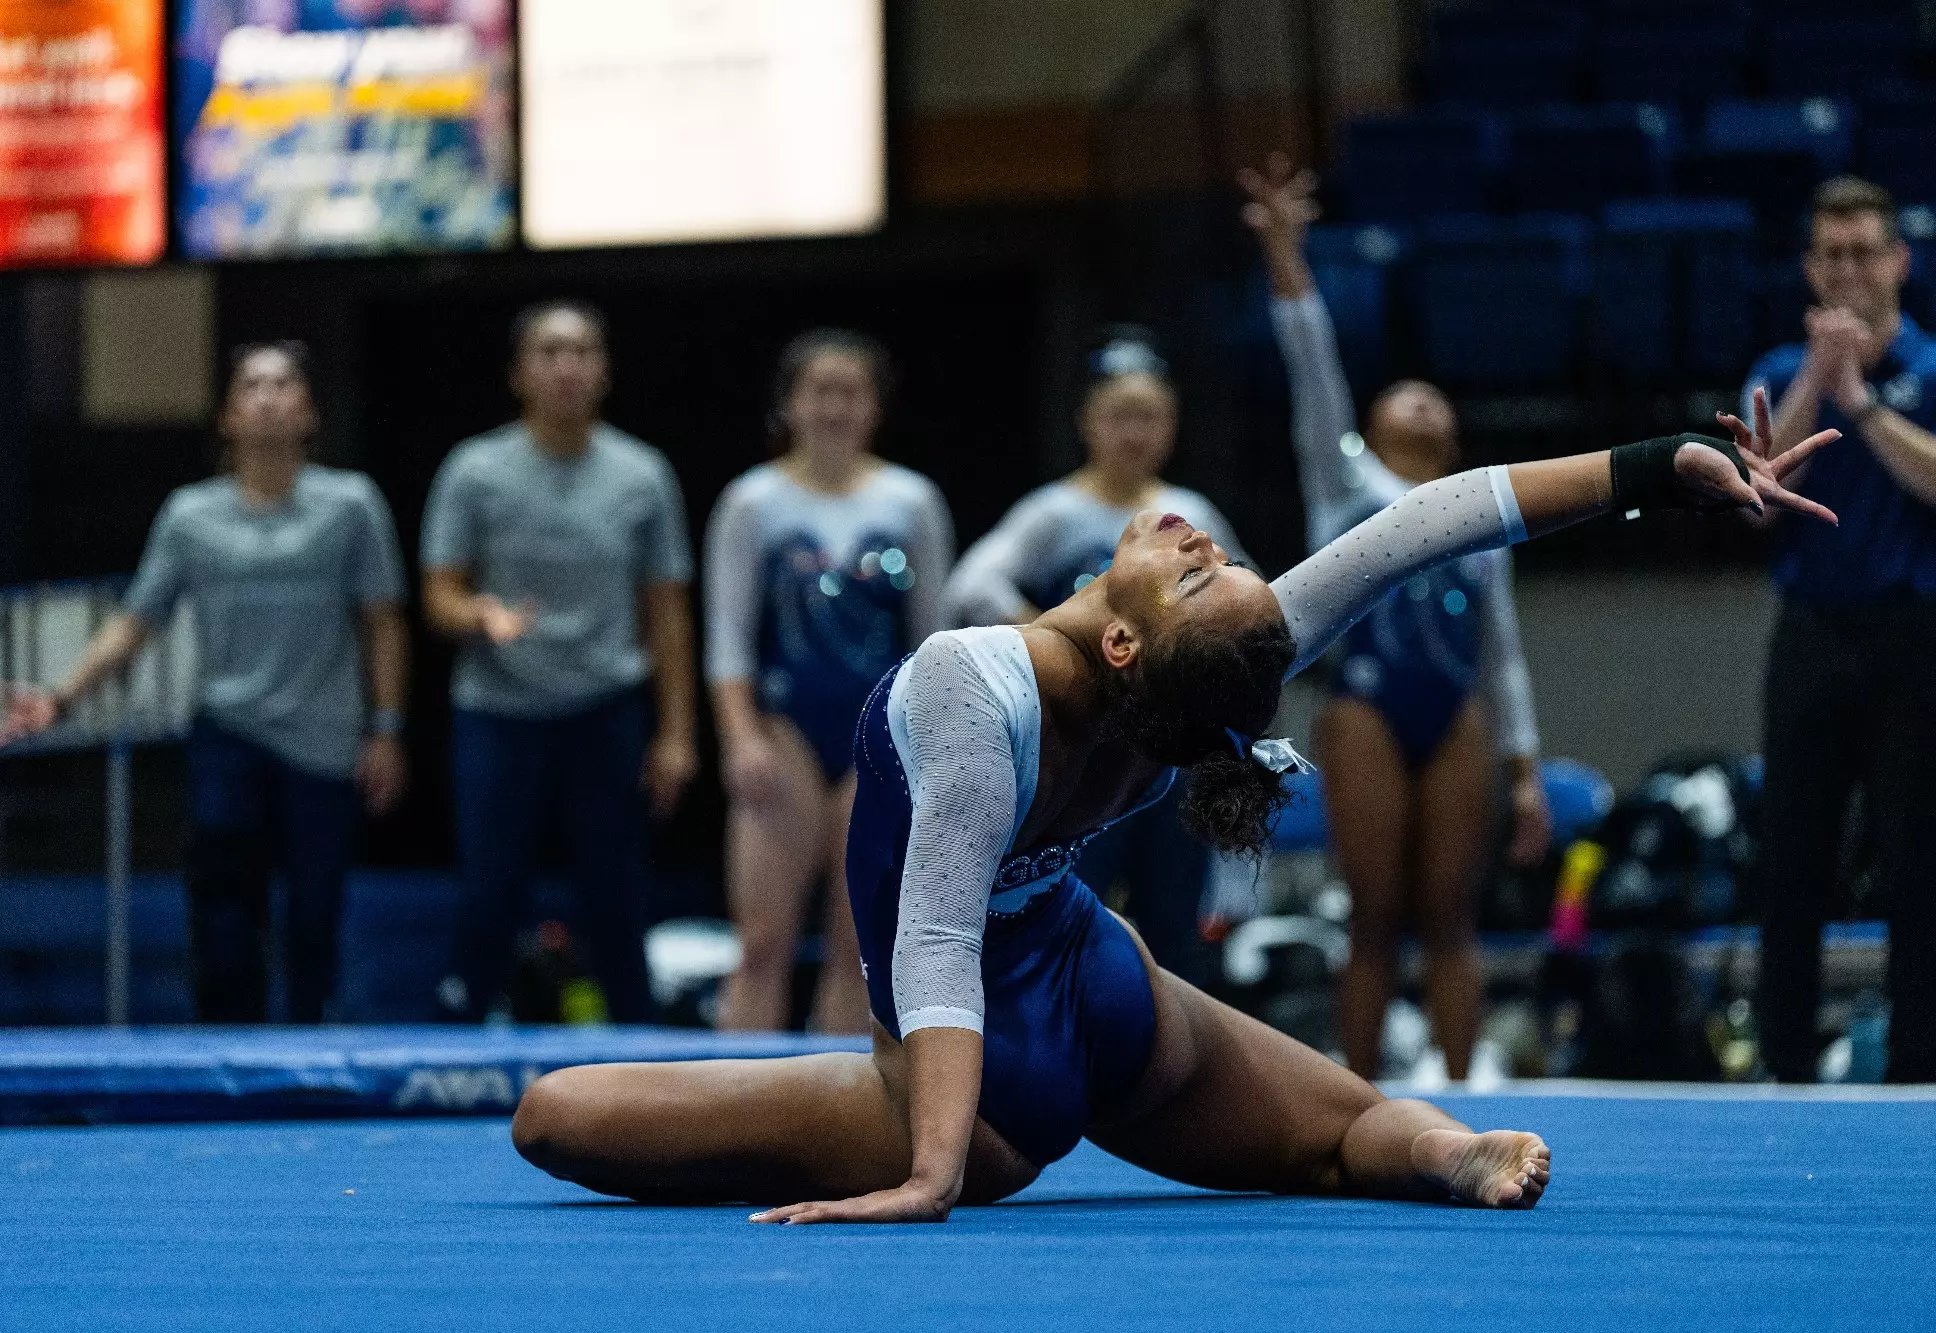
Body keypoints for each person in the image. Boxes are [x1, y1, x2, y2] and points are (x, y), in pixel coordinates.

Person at [508, 411, 1836, 1221]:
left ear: (1136, 645)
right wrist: (1664, 463)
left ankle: (1445, 1152)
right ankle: (1445, 1153)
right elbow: (1432, 523)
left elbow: (934, 950)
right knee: (1340, 1135)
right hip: (1110, 997)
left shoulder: (975, 680)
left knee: (556, 1116)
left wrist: (930, 1168)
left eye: (1205, 576)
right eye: (1220, 563)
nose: (1207, 548)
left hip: (978, 1093)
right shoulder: (1222, 675)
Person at [1241, 154, 1551, 1082]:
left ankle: (1459, 1093)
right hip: (1366, 710)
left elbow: (1503, 653)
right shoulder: (1344, 487)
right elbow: (1311, 366)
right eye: (1402, 392)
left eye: (1435, 396)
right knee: (1374, 910)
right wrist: (1287, 256)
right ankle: (1360, 1095)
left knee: (1451, 913)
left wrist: (1525, 773)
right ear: (1370, 426)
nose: (1421, 395)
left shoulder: (1476, 517)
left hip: (1454, 710)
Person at [0, 342, 410, 1023]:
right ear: (227, 416)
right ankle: (227, 1053)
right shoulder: (191, 515)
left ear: (309, 413)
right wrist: (61, 696)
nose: (269, 397)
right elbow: (136, 620)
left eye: (284, 385)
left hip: (326, 736)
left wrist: (386, 728)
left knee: (315, 912)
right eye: (253, 385)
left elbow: (383, 621)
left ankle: (313, 1053)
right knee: (221, 913)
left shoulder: (352, 505)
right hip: (229, 731)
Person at [941, 328, 1246, 986]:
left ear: (1172, 424)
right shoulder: (1055, 513)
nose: (1134, 433)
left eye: (1150, 417)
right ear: (1088, 422)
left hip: (1166, 752)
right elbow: (970, 587)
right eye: (1119, 416)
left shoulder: (1189, 513)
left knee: (1173, 923)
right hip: (1082, 751)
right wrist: (1054, 644)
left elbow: (1248, 613)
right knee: (1065, 910)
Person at [422, 300, 697, 1025]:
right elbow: (439, 594)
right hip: (498, 708)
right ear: (519, 374)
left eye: (582, 352)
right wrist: (478, 616)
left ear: (604, 372)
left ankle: (641, 1050)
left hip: (606, 708)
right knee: (489, 892)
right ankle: (454, 1056)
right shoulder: (474, 470)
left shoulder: (643, 474)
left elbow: (667, 611)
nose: (566, 366)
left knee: (616, 894)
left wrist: (676, 733)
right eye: (548, 352)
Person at [704, 330, 954, 1034]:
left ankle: (834, 1123)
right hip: (783, 734)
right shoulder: (752, 503)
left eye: (851, 392)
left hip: (879, 737)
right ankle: (739, 1111)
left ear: (875, 406)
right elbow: (726, 638)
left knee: (858, 949)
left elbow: (935, 638)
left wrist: (928, 745)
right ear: (790, 404)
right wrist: (740, 738)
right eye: (819, 391)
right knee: (760, 943)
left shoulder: (912, 503)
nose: (834, 407)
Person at [1743, 176, 1936, 1084]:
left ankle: (1916, 1071)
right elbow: (1755, 500)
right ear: (1811, 268)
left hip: (1913, 638)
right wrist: (1821, 381)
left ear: (1900, 260)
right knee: (1794, 858)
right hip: (1813, 632)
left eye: (1866, 250)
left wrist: (1862, 401)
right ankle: (1783, 1062)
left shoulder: (1931, 366)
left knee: (1917, 863)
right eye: (1833, 253)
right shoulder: (1779, 374)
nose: (1850, 269)